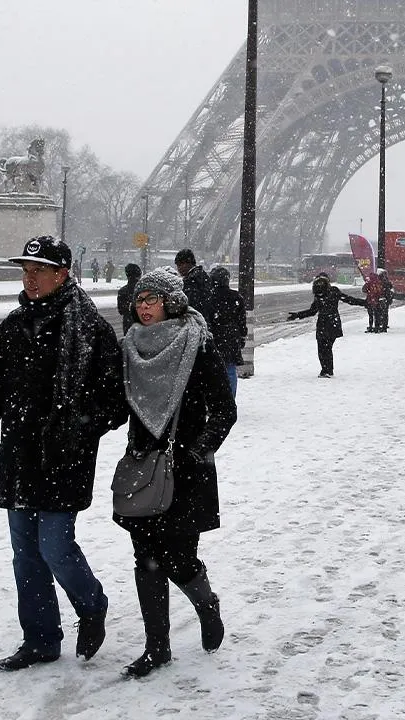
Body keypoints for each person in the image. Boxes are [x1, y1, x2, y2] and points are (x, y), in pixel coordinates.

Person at [0, 235, 127, 671]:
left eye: (38, 271)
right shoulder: (13, 326)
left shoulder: (90, 329)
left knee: (55, 548)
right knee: (25, 554)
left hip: (65, 459)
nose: (29, 279)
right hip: (19, 458)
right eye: (26, 271)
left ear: (61, 274)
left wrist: (78, 428)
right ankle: (41, 640)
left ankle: (92, 604)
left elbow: (116, 402)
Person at [117, 267, 237, 678]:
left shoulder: (197, 344)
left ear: (172, 302)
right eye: (140, 300)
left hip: (186, 470)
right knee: (146, 557)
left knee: (180, 558)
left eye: (152, 299)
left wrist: (196, 450)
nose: (144, 307)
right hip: (142, 466)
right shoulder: (130, 346)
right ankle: (157, 647)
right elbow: (119, 405)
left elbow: (224, 409)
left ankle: (207, 605)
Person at [286, 273, 367, 377]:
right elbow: (349, 300)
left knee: (322, 349)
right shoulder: (334, 291)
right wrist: (364, 303)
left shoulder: (318, 294)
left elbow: (312, 311)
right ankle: (328, 370)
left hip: (323, 324)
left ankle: (326, 370)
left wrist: (297, 315)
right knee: (328, 348)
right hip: (333, 323)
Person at [208, 265, 247, 396]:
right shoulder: (236, 297)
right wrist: (242, 336)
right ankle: (230, 398)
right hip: (232, 337)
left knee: (213, 370)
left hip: (214, 337)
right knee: (230, 369)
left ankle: (215, 399)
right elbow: (242, 320)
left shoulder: (209, 297)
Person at [174, 248, 215, 328]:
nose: (179, 269)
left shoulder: (190, 281)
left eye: (180, 265)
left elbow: (190, 304)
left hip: (194, 324)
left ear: (188, 263)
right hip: (206, 323)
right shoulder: (204, 276)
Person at [116, 263, 143, 335]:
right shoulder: (144, 290)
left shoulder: (122, 291)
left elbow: (121, 310)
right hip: (143, 323)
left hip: (128, 324)